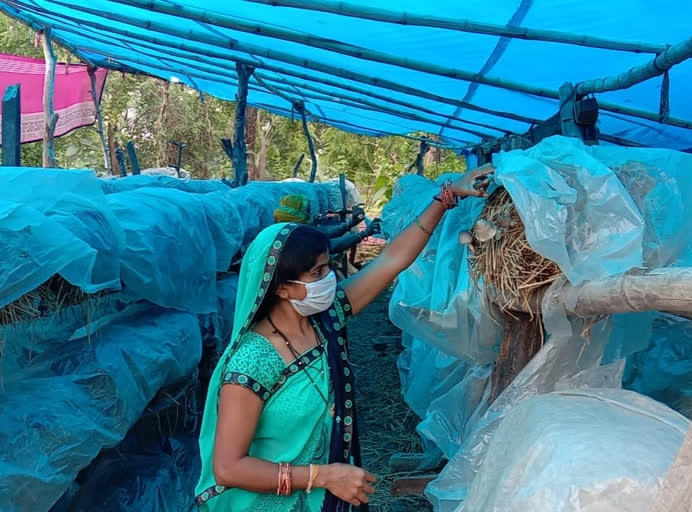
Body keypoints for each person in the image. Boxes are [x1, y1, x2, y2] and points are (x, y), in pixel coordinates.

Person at [194, 165, 494, 512]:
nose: (330, 279)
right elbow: (229, 467)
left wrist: (446, 198)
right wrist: (320, 476)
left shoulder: (326, 318)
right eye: (317, 273)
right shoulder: (253, 360)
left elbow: (391, 260)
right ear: (280, 287)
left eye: (328, 267)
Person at [273, 194, 381, 255]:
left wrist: (351, 223)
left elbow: (324, 234)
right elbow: (332, 246)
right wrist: (364, 233)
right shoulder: (296, 234)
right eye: (307, 209)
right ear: (298, 212)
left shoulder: (284, 226)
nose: (309, 212)